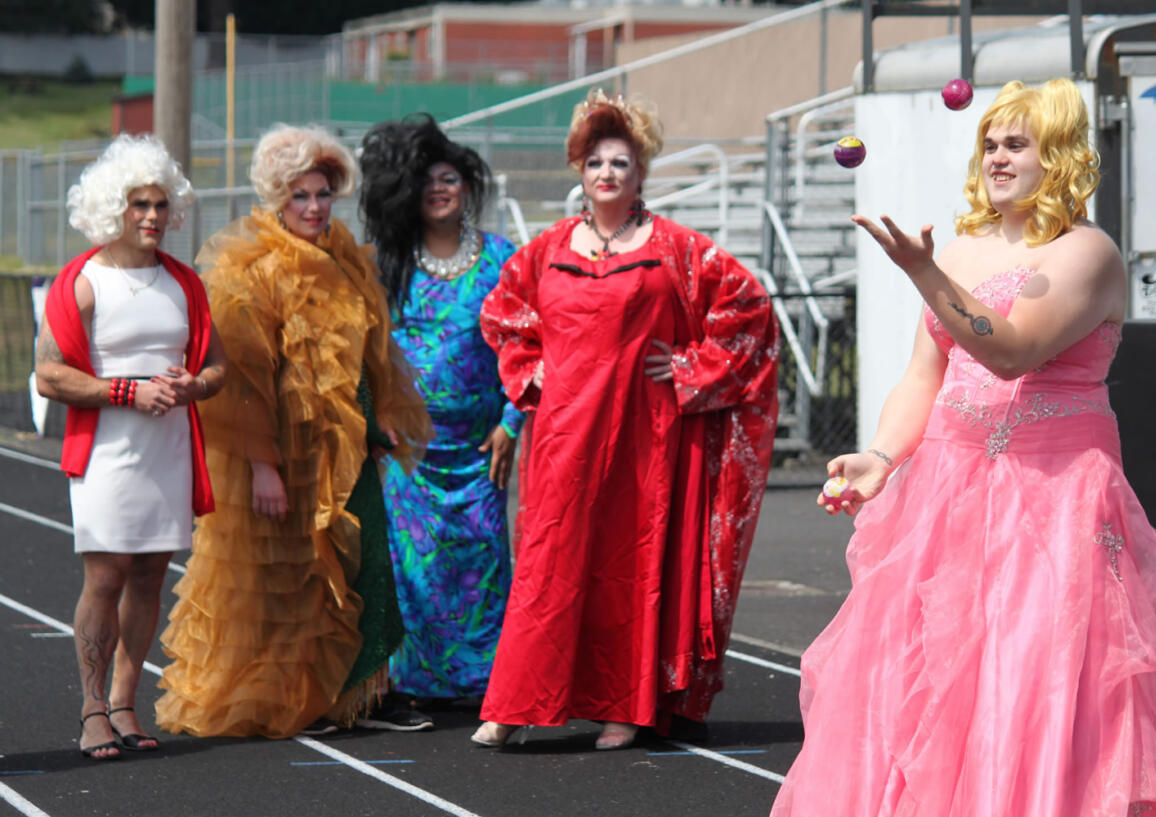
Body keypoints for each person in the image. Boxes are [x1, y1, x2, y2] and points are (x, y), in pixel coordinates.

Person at [771, 78, 1156, 815]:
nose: (998, 158)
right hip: (947, 491)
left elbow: (1012, 351)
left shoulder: (1088, 252)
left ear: (1061, 156)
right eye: (990, 144)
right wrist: (880, 456)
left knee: (1032, 678)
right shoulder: (965, 248)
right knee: (926, 679)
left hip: (1052, 500)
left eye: (1017, 144)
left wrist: (923, 271)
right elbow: (926, 373)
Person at [474, 89, 780, 751]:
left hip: (644, 438)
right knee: (545, 565)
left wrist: (693, 366)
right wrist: (531, 371)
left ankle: (626, 708)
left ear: (641, 173)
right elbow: (502, 317)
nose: (607, 173)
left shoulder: (677, 249)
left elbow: (751, 313)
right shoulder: (544, 249)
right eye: (595, 162)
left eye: (620, 162)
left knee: (630, 566)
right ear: (578, 172)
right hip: (561, 436)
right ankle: (513, 705)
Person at [155, 125, 433, 739]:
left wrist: (381, 411)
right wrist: (261, 465)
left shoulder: (345, 256)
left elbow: (374, 349)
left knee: (365, 565)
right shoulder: (248, 269)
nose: (314, 208)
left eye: (323, 194)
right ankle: (304, 698)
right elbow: (245, 381)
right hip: (289, 450)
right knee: (297, 573)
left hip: (350, 443)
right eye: (300, 196)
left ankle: (365, 693)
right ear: (276, 198)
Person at [35, 134, 227, 760]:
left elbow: (218, 367)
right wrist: (127, 391)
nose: (151, 216)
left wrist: (192, 383)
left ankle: (124, 702)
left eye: (161, 204)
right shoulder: (82, 283)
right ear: (110, 208)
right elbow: (48, 375)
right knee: (106, 574)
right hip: (105, 451)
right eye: (138, 204)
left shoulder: (185, 283)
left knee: (149, 572)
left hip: (168, 447)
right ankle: (92, 709)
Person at [357, 115, 523, 716]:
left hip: (482, 450)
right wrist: (378, 420)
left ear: (469, 186)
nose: (439, 189)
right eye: (427, 181)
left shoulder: (505, 260)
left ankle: (486, 680)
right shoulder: (390, 264)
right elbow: (368, 349)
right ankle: (416, 682)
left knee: (481, 557)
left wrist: (511, 422)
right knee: (414, 568)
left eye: (450, 178)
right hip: (410, 452)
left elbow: (532, 349)